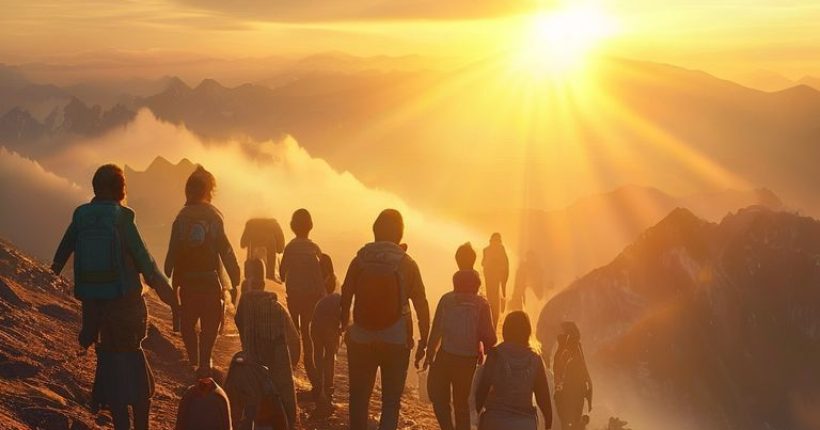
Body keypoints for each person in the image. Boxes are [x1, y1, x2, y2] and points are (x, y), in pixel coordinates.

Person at [52, 164, 178, 430]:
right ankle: (141, 425)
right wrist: (170, 296)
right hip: (127, 307)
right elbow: (145, 262)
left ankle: (121, 425)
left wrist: (51, 273)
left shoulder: (81, 217)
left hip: (95, 309)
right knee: (134, 364)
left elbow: (63, 251)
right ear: (119, 189)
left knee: (110, 366)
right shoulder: (123, 218)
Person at [340, 209, 431, 430]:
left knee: (359, 398)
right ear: (400, 235)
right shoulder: (407, 263)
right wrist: (424, 340)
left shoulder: (359, 259)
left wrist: (345, 327)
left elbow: (345, 294)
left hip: (361, 338)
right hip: (396, 340)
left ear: (375, 232)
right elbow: (421, 303)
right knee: (390, 403)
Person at [164, 166, 241, 375]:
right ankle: (205, 361)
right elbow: (225, 249)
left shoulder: (181, 218)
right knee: (210, 325)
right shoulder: (214, 217)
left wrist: (169, 269)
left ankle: (194, 361)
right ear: (208, 191)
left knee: (188, 325)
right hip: (210, 281)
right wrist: (235, 277)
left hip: (187, 282)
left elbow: (172, 251)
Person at [422, 242, 497, 430]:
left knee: (439, 397)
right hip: (468, 360)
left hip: (446, 356)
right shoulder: (481, 303)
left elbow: (436, 329)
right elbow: (490, 338)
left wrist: (429, 353)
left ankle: (447, 427)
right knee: (461, 404)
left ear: (457, 261)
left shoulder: (447, 299)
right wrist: (484, 352)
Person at [235, 258, 301, 430]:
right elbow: (295, 343)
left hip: (253, 369)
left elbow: (241, 327)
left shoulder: (244, 305)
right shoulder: (279, 308)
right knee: (283, 413)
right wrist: (290, 365)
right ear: (264, 283)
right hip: (279, 371)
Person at [475, 311, 552, 430]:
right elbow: (544, 400)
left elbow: (482, 390)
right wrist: (548, 425)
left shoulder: (495, 354)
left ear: (506, 330)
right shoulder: (535, 359)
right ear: (527, 332)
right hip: (525, 423)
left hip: (495, 421)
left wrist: (476, 417)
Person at [279, 208, 325, 389]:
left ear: (292, 227)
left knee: (293, 333)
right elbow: (321, 276)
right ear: (311, 226)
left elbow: (282, 274)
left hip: (294, 297)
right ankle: (314, 378)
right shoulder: (315, 249)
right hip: (312, 299)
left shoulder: (290, 248)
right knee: (308, 336)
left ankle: (290, 370)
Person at [310, 253, 341, 408]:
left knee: (320, 355)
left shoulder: (319, 280)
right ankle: (326, 387)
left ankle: (322, 386)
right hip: (329, 324)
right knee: (328, 356)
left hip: (319, 323)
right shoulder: (331, 280)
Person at [553, 322, 592, 430]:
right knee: (571, 422)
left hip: (572, 392)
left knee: (569, 423)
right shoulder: (569, 348)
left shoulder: (569, 348)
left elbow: (583, 371)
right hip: (573, 392)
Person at [481, 233, 509, 329]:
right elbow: (505, 266)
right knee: (492, 304)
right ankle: (491, 326)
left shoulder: (491, 250)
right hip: (491, 280)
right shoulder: (498, 250)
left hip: (494, 281)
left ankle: (492, 326)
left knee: (492, 303)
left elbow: (483, 263)